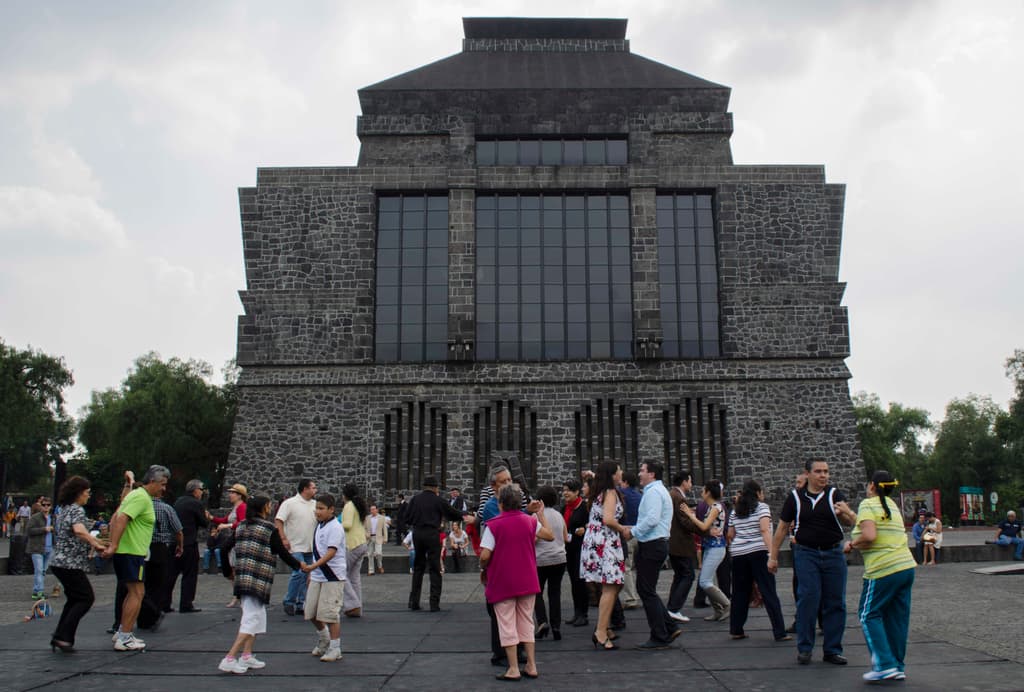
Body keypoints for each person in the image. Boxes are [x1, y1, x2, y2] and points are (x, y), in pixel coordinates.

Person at [769, 458, 855, 665]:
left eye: (826, 471)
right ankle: (805, 648)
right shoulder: (795, 498)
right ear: (807, 473)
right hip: (806, 553)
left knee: (835, 602)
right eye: (818, 471)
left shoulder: (834, 494)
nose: (823, 475)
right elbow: (781, 528)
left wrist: (845, 513)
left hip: (833, 552)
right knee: (808, 598)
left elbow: (849, 521)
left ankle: (832, 649)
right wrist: (772, 556)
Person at [217, 494, 303, 674]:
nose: (271, 508)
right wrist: (300, 566)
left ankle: (247, 655)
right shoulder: (268, 528)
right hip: (257, 577)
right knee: (251, 618)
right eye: (269, 505)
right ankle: (230, 657)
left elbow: (224, 548)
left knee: (257, 615)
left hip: (243, 577)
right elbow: (282, 552)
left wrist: (227, 571)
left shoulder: (240, 526)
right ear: (264, 508)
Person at [844, 470, 916, 682]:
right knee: (897, 618)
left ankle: (884, 665)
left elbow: (869, 535)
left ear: (872, 486)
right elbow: (873, 526)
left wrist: (851, 544)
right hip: (905, 567)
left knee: (868, 614)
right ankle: (896, 665)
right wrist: (850, 514)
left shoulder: (868, 504)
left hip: (883, 569)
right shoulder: (892, 506)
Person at [480, 484, 554, 681]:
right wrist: (540, 513)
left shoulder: (493, 525)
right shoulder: (529, 522)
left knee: (506, 623)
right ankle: (531, 664)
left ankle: (513, 668)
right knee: (526, 622)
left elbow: (485, 554)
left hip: (503, 581)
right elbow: (549, 535)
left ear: (501, 504)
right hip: (527, 579)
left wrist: (483, 567)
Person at [102, 465, 170, 651]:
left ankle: (123, 631)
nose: (164, 488)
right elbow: (121, 518)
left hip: (130, 552)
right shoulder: (141, 497)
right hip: (131, 553)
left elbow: (117, 513)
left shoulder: (135, 495)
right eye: (162, 484)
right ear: (153, 481)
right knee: (137, 594)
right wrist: (113, 544)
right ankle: (124, 636)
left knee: (132, 592)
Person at [48, 476, 108, 653]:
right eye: (87, 493)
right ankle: (63, 637)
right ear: (79, 493)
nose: (88, 496)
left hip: (58, 561)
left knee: (74, 599)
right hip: (69, 563)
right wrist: (95, 543)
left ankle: (61, 635)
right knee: (85, 598)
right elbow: (79, 530)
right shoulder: (77, 510)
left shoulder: (64, 509)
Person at [626, 461, 682, 650]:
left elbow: (652, 519)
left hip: (652, 544)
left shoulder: (653, 493)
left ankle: (659, 635)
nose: (639, 474)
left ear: (652, 474)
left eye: (642, 470)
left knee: (646, 590)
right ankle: (669, 626)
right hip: (655, 544)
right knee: (646, 589)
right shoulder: (657, 491)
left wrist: (632, 531)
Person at [727, 479, 788, 642]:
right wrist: (771, 554)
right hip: (759, 552)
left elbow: (730, 535)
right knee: (768, 591)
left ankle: (736, 629)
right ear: (758, 493)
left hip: (739, 554)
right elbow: (764, 530)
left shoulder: (735, 511)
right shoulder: (762, 508)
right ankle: (779, 631)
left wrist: (737, 547)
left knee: (740, 592)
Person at [406, 476, 474, 612]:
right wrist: (466, 515)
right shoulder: (438, 500)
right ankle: (434, 603)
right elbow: (452, 513)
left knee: (418, 567)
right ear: (436, 487)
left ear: (424, 486)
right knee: (435, 567)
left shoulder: (415, 499)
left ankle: (414, 602)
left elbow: (407, 517)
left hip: (418, 533)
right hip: (432, 534)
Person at [580, 461, 628, 650]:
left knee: (612, 585)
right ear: (612, 475)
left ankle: (604, 626)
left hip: (596, 540)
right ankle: (600, 632)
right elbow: (608, 519)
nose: (621, 472)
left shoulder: (599, 492)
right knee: (611, 585)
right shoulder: (610, 493)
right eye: (619, 470)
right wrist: (623, 529)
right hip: (606, 541)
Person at [303, 493, 347, 662]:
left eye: (321, 509)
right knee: (311, 611)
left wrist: (313, 567)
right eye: (316, 508)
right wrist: (313, 572)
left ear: (331, 509)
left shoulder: (335, 527)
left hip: (332, 575)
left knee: (329, 613)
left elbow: (331, 551)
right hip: (318, 575)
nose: (317, 512)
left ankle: (335, 648)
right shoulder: (319, 526)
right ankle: (324, 638)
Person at [682, 480, 731, 622]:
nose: (701, 492)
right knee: (706, 580)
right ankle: (718, 610)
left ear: (709, 492)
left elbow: (704, 527)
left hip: (716, 547)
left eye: (703, 490)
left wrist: (690, 515)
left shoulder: (716, 507)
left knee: (704, 581)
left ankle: (726, 604)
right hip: (711, 546)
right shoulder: (713, 507)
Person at [275, 478, 317, 615]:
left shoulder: (315, 504)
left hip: (309, 545)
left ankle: (300, 602)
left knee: (306, 575)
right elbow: (279, 520)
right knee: (298, 572)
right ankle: (289, 600)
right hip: (295, 544)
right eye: (313, 488)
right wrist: (283, 538)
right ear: (305, 489)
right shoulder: (290, 503)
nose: (315, 490)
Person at [169, 479, 211, 613]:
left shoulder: (179, 501)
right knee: (190, 574)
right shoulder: (195, 503)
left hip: (174, 541)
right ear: (195, 490)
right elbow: (204, 522)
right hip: (188, 542)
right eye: (201, 490)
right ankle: (186, 603)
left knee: (171, 574)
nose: (201, 493)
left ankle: (164, 602)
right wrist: (207, 516)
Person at [532, 486, 567, 641]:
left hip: (541, 559)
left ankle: (542, 622)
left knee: (536, 592)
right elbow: (565, 537)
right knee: (555, 593)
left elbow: (535, 538)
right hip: (559, 559)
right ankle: (556, 625)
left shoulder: (535, 517)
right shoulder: (559, 515)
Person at [145, 494, 183, 625]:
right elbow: (178, 530)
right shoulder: (166, 508)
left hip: (143, 547)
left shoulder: (142, 507)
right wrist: (180, 545)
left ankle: (142, 617)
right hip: (160, 548)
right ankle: (155, 613)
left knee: (143, 584)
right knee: (159, 583)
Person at [667, 470, 699, 623]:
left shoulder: (672, 494)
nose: (691, 484)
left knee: (680, 575)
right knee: (688, 574)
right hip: (680, 543)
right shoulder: (679, 498)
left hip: (673, 542)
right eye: (690, 481)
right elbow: (685, 522)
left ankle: (672, 607)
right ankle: (674, 608)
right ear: (684, 482)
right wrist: (703, 529)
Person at [213, 483, 248, 607]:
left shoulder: (242, 507)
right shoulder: (236, 508)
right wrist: (211, 517)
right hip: (234, 540)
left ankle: (238, 595)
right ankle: (237, 595)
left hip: (238, 540)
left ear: (240, 495)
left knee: (236, 569)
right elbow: (224, 520)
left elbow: (242, 523)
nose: (230, 495)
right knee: (233, 568)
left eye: (233, 493)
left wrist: (227, 526)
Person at [562, 478, 590, 627]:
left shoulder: (583, 507)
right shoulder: (565, 507)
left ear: (577, 492)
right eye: (564, 490)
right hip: (569, 549)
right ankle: (576, 612)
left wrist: (584, 530)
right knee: (573, 581)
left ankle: (583, 614)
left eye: (568, 490)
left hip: (581, 548)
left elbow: (591, 525)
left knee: (580, 582)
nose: (565, 493)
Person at [340, 483, 369, 618]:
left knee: (340, 574)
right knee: (354, 577)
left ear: (345, 495)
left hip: (352, 544)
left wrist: (335, 524)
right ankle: (357, 606)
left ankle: (353, 604)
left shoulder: (348, 506)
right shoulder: (358, 506)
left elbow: (346, 525)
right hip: (362, 543)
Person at [618, 471, 643, 610]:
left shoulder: (622, 494)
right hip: (640, 533)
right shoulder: (640, 496)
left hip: (627, 533)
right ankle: (643, 594)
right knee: (640, 567)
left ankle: (631, 598)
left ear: (625, 482)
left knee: (626, 567)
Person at [27, 498, 54, 600]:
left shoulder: (53, 518)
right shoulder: (35, 518)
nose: (46, 507)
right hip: (37, 548)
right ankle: (40, 592)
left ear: (51, 506)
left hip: (49, 548)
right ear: (41, 506)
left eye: (48, 505)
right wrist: (44, 529)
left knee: (42, 571)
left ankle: (35, 591)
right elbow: (29, 531)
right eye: (44, 505)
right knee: (38, 570)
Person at [364, 503, 389, 574]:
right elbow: (364, 528)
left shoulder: (381, 518)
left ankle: (380, 566)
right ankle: (371, 570)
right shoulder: (367, 518)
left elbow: (384, 529)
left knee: (379, 553)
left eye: (373, 509)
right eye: (371, 509)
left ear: (377, 510)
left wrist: (385, 538)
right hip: (369, 537)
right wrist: (366, 534)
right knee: (370, 554)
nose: (372, 511)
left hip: (378, 537)